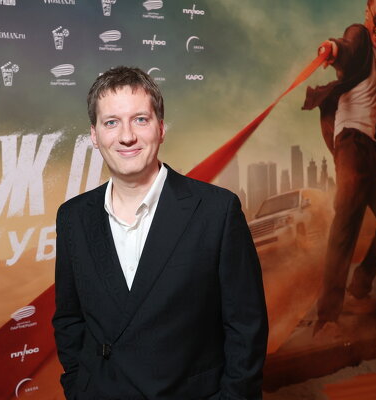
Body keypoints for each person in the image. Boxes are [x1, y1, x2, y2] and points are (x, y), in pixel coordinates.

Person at [52, 66, 268, 399]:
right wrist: (79, 387)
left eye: (140, 119)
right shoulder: (73, 218)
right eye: (111, 122)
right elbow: (69, 319)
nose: (126, 136)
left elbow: (246, 328)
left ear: (161, 128)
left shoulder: (216, 211)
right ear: (94, 135)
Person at [302, 0, 376, 332]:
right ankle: (327, 315)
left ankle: (361, 284)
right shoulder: (360, 36)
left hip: (371, 148)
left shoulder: (374, 58)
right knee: (348, 218)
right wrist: (332, 48)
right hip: (351, 141)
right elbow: (348, 48)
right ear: (368, 15)